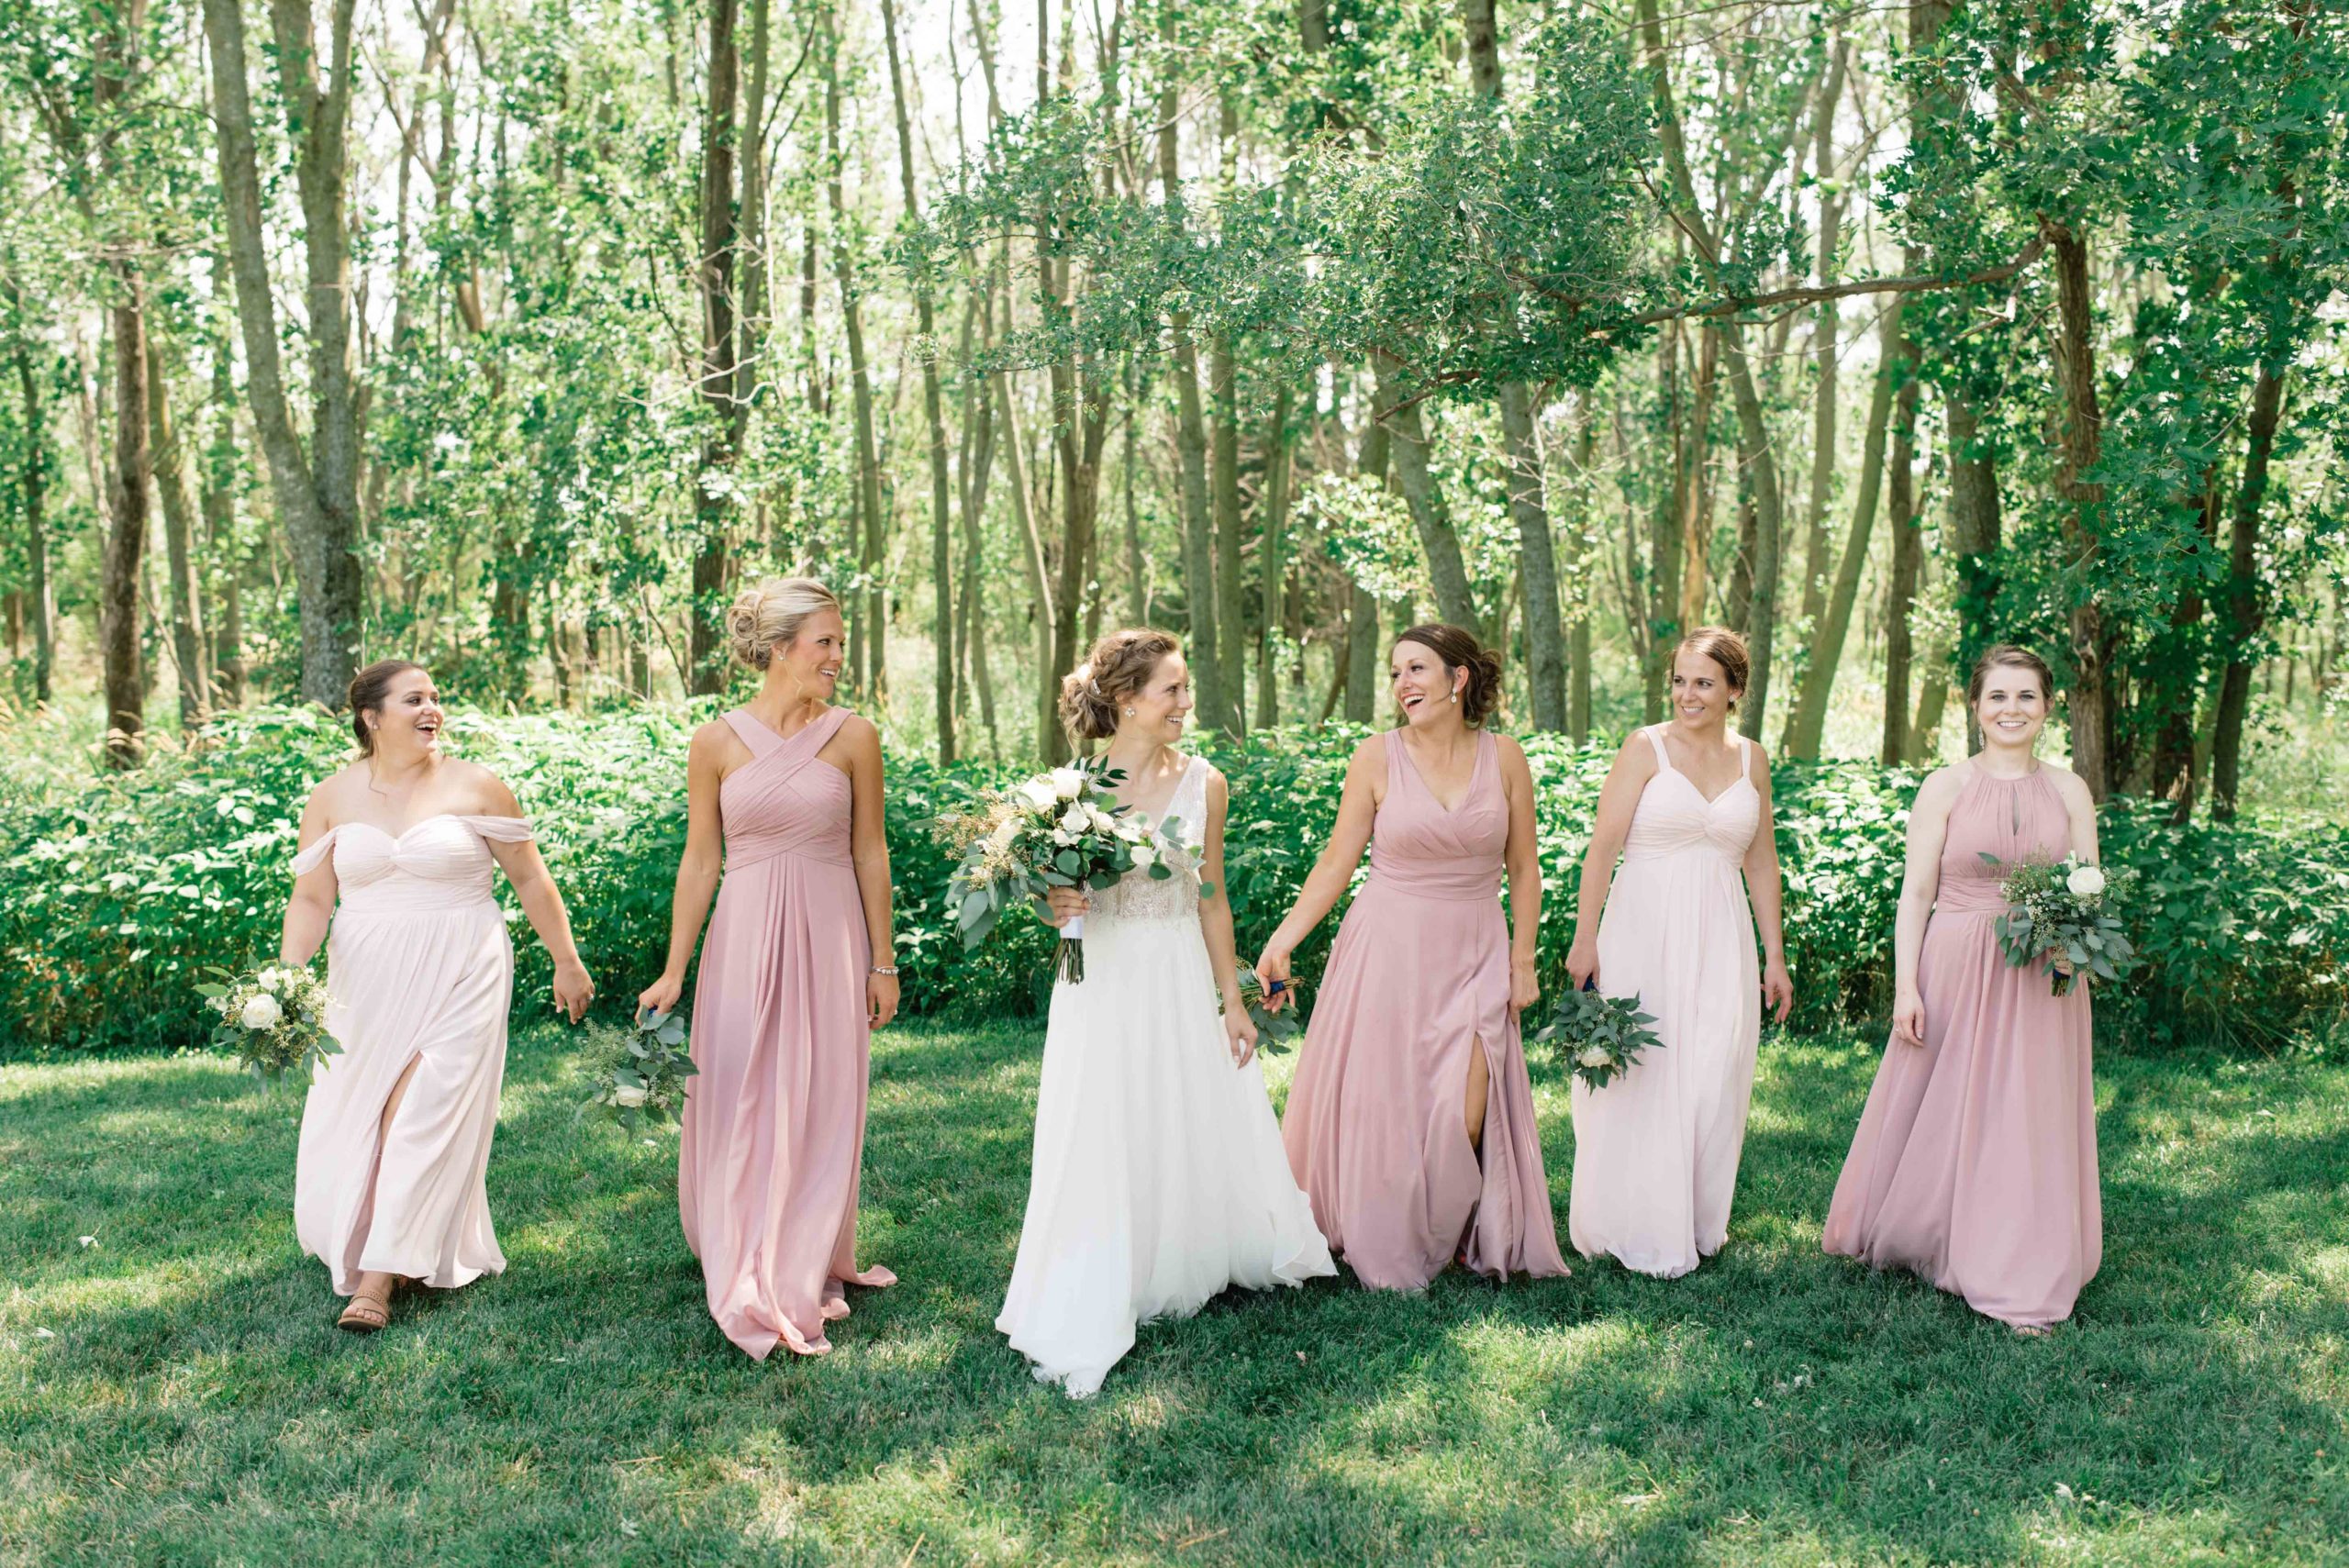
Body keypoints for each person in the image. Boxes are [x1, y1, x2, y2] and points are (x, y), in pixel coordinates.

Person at [997, 628, 1332, 1397]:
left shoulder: (1205, 781)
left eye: (1185, 689)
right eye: (1172, 690)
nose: (1187, 703)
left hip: (1178, 965)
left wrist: (1232, 998)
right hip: (1102, 976)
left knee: (1179, 1106)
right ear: (1126, 700)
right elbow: (1060, 904)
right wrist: (1060, 903)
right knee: (1104, 1115)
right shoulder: (1071, 789)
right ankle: (1106, 1261)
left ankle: (1187, 1250)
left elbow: (1209, 895)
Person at [283, 660, 595, 1332]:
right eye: (414, 699)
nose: (433, 709)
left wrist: (566, 960)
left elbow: (532, 881)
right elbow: (311, 898)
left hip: (464, 964)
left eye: (436, 698)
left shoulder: (477, 785)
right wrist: (286, 976)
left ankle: (377, 1278)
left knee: (422, 1106)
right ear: (372, 716)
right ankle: (385, 1235)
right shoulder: (332, 795)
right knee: (366, 1109)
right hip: (365, 979)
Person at [1257, 623, 1567, 1291]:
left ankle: (1448, 1224)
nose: (1403, 684)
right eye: (1396, 672)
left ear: (1458, 679)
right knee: (1390, 1099)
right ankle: (1393, 1226)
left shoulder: (1505, 756)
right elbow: (1338, 861)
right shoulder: (1376, 756)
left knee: (1466, 1102)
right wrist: (1284, 938)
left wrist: (1522, 960)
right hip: (1387, 945)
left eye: (1417, 669)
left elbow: (1525, 868)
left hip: (1476, 944)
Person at [638, 578, 898, 1359]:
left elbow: (869, 850)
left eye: (839, 642)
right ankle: (741, 1239)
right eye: (825, 642)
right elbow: (700, 858)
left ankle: (804, 1250)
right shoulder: (715, 741)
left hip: (829, 933)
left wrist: (882, 960)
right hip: (744, 933)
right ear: (781, 648)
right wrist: (674, 968)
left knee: (818, 1089)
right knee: (740, 1085)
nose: (837, 656)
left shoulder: (856, 735)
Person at [1822, 645, 2103, 1330]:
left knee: (2025, 1108)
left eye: (2027, 696)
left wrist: (2075, 953)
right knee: (1945, 1099)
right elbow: (1916, 891)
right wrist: (1905, 986)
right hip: (1954, 958)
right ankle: (1930, 1225)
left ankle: (2019, 1250)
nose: (2013, 709)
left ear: (2048, 707)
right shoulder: (1945, 786)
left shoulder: (2070, 789)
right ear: (1976, 707)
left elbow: (2088, 886)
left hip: (2043, 970)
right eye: (1998, 696)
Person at [1562, 628, 1793, 1277]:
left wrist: (1774, 956)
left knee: (1712, 1071)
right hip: (1642, 925)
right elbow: (1602, 848)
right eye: (1680, 680)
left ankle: (1692, 1218)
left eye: (1704, 682)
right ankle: (1626, 1217)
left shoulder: (1752, 758)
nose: (1688, 694)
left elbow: (1762, 861)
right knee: (1642, 1068)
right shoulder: (1645, 747)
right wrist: (1585, 937)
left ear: (1734, 690)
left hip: (1723, 933)